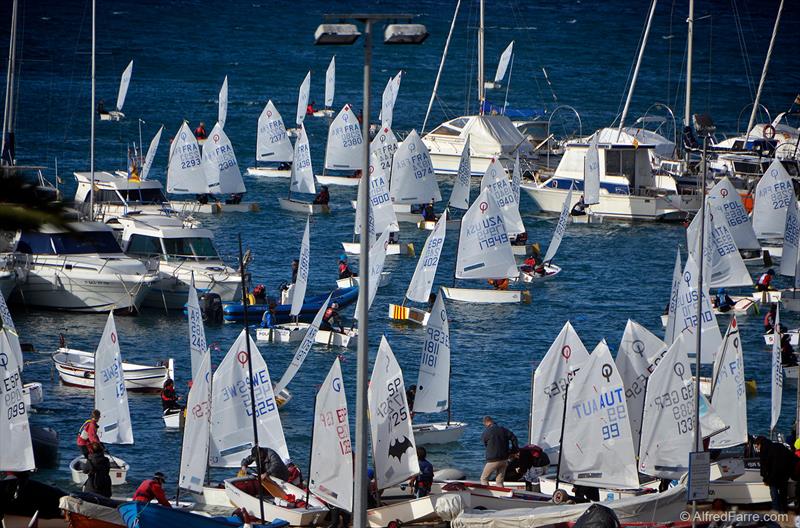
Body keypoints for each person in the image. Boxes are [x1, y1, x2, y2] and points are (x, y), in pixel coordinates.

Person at [755, 435, 795, 513]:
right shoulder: (779, 445)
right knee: (783, 494)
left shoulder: (764, 451)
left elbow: (764, 467)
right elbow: (790, 457)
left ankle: (776, 510)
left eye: (757, 446)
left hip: (773, 476)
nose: (757, 449)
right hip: (784, 474)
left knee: (774, 494)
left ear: (760, 444)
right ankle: (783, 511)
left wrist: (765, 479)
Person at [480, 416, 519, 487]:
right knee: (499, 481)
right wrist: (514, 450)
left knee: (484, 479)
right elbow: (514, 438)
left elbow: (485, 442)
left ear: (485, 423)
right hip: (504, 459)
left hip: (493, 460)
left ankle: (487, 494)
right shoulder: (503, 430)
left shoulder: (487, 432)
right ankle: (501, 495)